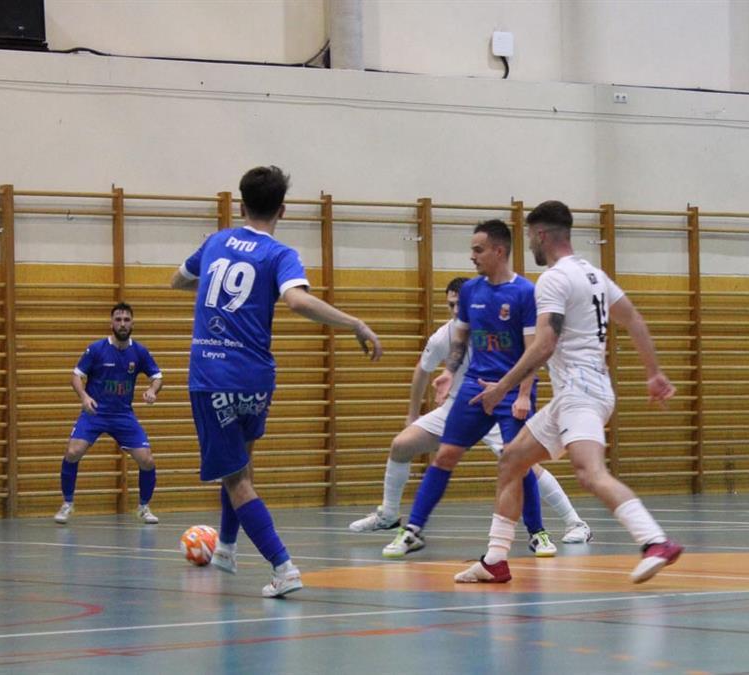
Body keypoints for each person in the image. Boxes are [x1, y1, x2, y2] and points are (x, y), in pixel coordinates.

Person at [170, 165, 382, 598]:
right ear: (282, 210)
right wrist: (355, 323)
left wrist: (211, 291)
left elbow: (178, 281)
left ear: (240, 205)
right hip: (257, 377)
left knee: (236, 479)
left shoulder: (215, 242)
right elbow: (297, 298)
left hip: (213, 376)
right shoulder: (280, 254)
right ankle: (227, 548)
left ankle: (283, 567)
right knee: (241, 466)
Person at [455, 200, 683, 585]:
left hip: (581, 392)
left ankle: (655, 541)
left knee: (590, 473)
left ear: (541, 234)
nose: (530, 244)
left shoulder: (554, 279)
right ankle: (495, 560)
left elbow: (544, 344)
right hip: (579, 392)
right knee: (511, 460)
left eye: (531, 237)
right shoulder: (594, 275)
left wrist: (503, 388)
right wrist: (653, 373)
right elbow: (633, 319)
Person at [349, 276, 591, 544]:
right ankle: (389, 515)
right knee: (401, 445)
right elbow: (422, 370)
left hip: (498, 405)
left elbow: (531, 361)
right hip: (458, 407)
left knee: (525, 466)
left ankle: (575, 523)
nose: (455, 310)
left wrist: (522, 396)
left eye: (459, 304)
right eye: (450, 305)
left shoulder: (500, 329)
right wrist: (412, 414)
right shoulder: (445, 335)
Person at [382, 220, 556, 559]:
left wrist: (523, 395)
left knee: (517, 462)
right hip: (474, 388)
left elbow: (533, 351)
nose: (472, 256)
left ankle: (537, 533)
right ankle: (413, 530)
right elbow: (460, 339)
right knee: (445, 455)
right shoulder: (470, 292)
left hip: (510, 390)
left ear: (499, 251)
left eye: (478, 250)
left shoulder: (524, 293)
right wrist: (449, 373)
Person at [55, 302, 163, 524]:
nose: (122, 324)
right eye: (118, 319)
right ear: (111, 323)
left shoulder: (140, 352)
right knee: (73, 452)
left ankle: (144, 507)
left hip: (123, 415)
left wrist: (152, 390)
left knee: (147, 460)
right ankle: (67, 503)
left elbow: (157, 377)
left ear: (132, 323)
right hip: (95, 413)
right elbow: (76, 377)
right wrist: (84, 397)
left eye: (126, 320)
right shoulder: (96, 349)